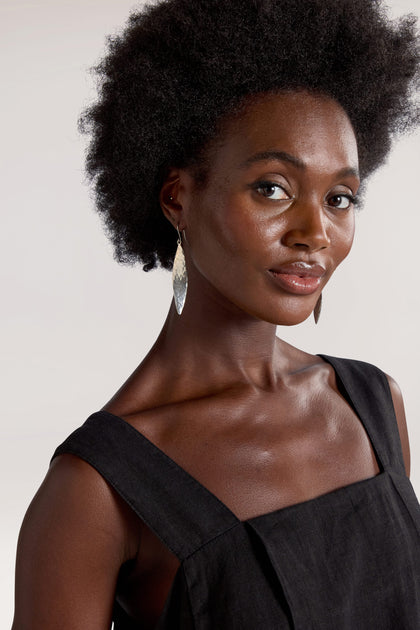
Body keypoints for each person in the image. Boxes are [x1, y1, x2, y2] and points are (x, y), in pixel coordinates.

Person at [12, 0, 420, 628]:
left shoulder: (374, 406)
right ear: (178, 197)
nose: (315, 231)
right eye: (273, 189)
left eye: (339, 197)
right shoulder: (94, 493)